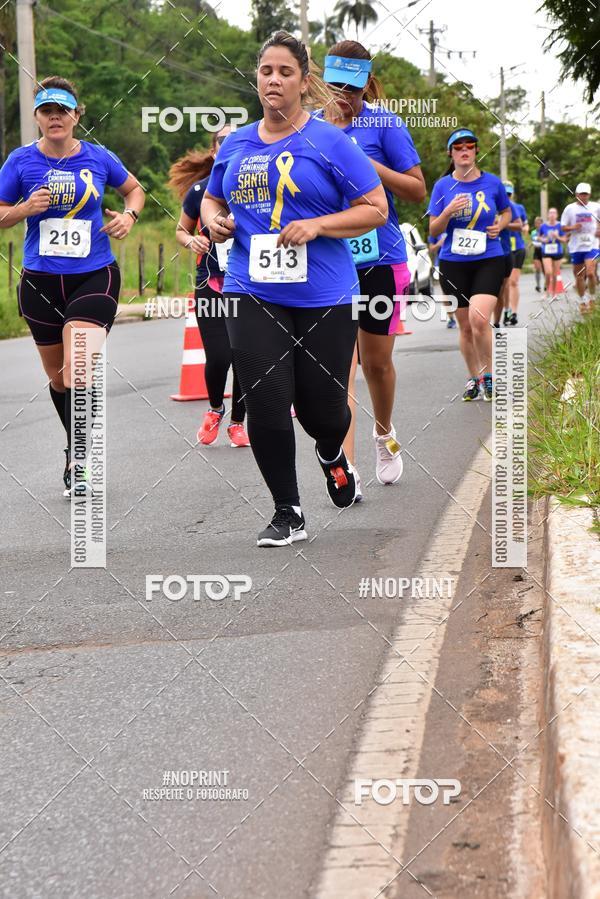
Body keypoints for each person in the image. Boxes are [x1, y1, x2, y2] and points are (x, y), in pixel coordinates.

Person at [201, 31, 388, 547]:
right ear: (257, 79)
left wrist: (320, 225)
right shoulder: (236, 142)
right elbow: (212, 201)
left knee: (321, 412)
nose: (274, 80)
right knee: (263, 397)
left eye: (286, 72)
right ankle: (288, 512)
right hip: (250, 285)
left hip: (324, 294)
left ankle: (332, 453)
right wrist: (216, 221)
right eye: (266, 71)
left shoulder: (330, 141)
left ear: (305, 83)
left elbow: (377, 207)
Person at [0, 76, 144, 496]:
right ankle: (74, 447)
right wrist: (24, 208)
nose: (55, 117)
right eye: (47, 111)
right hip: (40, 280)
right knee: (59, 377)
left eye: (63, 110)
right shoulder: (20, 162)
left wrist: (128, 217)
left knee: (79, 368)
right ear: (38, 118)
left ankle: (83, 456)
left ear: (77, 115)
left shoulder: (99, 157)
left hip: (94, 274)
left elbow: (134, 191)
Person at [320, 40, 426, 488]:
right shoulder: (311, 129)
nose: (345, 95)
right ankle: (346, 467)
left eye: (354, 87)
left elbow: (416, 190)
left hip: (379, 257)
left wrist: (365, 164)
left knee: (376, 363)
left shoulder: (384, 124)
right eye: (336, 86)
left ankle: (386, 436)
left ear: (366, 85)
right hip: (329, 258)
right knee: (341, 363)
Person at [169, 127, 250, 448]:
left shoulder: (253, 188)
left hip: (247, 284)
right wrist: (192, 240)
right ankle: (216, 409)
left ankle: (238, 423)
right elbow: (181, 230)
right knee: (219, 357)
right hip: (211, 284)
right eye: (222, 142)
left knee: (244, 356)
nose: (229, 146)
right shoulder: (200, 191)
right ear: (215, 152)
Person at [428, 128, 511, 401]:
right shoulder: (442, 187)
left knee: (479, 318)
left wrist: (501, 224)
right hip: (454, 262)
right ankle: (473, 377)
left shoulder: (493, 183)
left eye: (469, 146)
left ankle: (489, 375)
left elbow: (506, 210)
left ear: (476, 151)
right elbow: (433, 230)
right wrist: (449, 211)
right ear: (450, 154)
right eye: (458, 147)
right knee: (464, 326)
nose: (464, 151)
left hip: (489, 257)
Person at [561, 182, 600, 313]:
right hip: (576, 246)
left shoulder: (595, 207)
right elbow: (563, 227)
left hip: (592, 244)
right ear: (576, 195)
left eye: (586, 194)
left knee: (590, 272)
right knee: (579, 275)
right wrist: (573, 227)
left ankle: (592, 299)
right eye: (581, 194)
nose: (583, 196)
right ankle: (583, 301)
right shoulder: (569, 209)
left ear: (589, 194)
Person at [503, 182, 528, 325]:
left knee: (513, 281)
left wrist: (524, 228)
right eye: (504, 194)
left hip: (517, 247)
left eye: (509, 194)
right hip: (502, 248)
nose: (507, 197)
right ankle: (505, 310)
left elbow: (524, 224)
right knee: (503, 284)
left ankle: (514, 313)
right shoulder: (494, 207)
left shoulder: (518, 208)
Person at [494, 201, 514, 328]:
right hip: (482, 254)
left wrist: (502, 225)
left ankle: (497, 321)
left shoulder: (509, 208)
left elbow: (520, 225)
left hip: (504, 253)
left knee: (501, 288)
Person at [539, 208, 567, 296]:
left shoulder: (560, 226)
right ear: (548, 215)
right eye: (550, 213)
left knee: (555, 274)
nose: (552, 215)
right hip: (546, 251)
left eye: (554, 213)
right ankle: (547, 291)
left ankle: (554, 293)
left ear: (557, 215)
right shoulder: (543, 226)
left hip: (557, 252)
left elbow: (564, 239)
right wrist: (544, 240)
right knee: (548, 272)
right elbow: (538, 237)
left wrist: (557, 236)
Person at [530, 215, 544, 293]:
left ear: (542, 223)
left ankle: (546, 285)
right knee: (538, 269)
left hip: (544, 252)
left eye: (539, 223)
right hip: (536, 252)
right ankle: (538, 285)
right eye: (536, 223)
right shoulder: (533, 232)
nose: (537, 224)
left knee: (545, 270)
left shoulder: (544, 231)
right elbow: (533, 241)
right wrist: (530, 245)